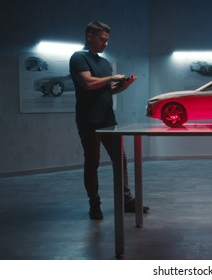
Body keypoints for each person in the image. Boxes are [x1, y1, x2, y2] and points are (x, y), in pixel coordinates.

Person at [70, 21, 149, 220]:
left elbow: (108, 90)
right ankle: (94, 204)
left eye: (107, 40)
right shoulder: (78, 57)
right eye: (102, 39)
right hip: (89, 121)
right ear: (90, 36)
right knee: (92, 162)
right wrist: (111, 77)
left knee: (120, 160)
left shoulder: (104, 62)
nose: (106, 44)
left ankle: (126, 200)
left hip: (108, 120)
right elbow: (87, 83)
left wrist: (124, 85)